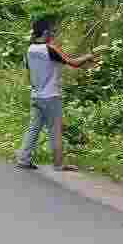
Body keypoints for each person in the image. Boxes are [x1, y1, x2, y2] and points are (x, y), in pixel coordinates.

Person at [15, 17, 94, 171]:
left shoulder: (30, 49)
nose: (53, 34)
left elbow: (29, 72)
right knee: (55, 130)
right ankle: (58, 164)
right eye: (52, 31)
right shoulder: (50, 49)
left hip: (36, 95)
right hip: (51, 96)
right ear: (45, 32)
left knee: (33, 128)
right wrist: (89, 56)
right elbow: (73, 62)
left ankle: (23, 159)